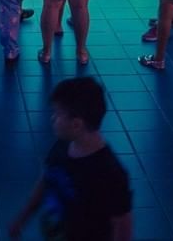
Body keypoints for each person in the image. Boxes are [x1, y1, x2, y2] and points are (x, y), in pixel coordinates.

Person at [9, 77, 133, 241]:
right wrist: (23, 217)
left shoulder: (109, 173)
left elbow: (121, 223)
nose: (53, 118)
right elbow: (46, 179)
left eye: (57, 114)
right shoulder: (62, 145)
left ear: (76, 124)